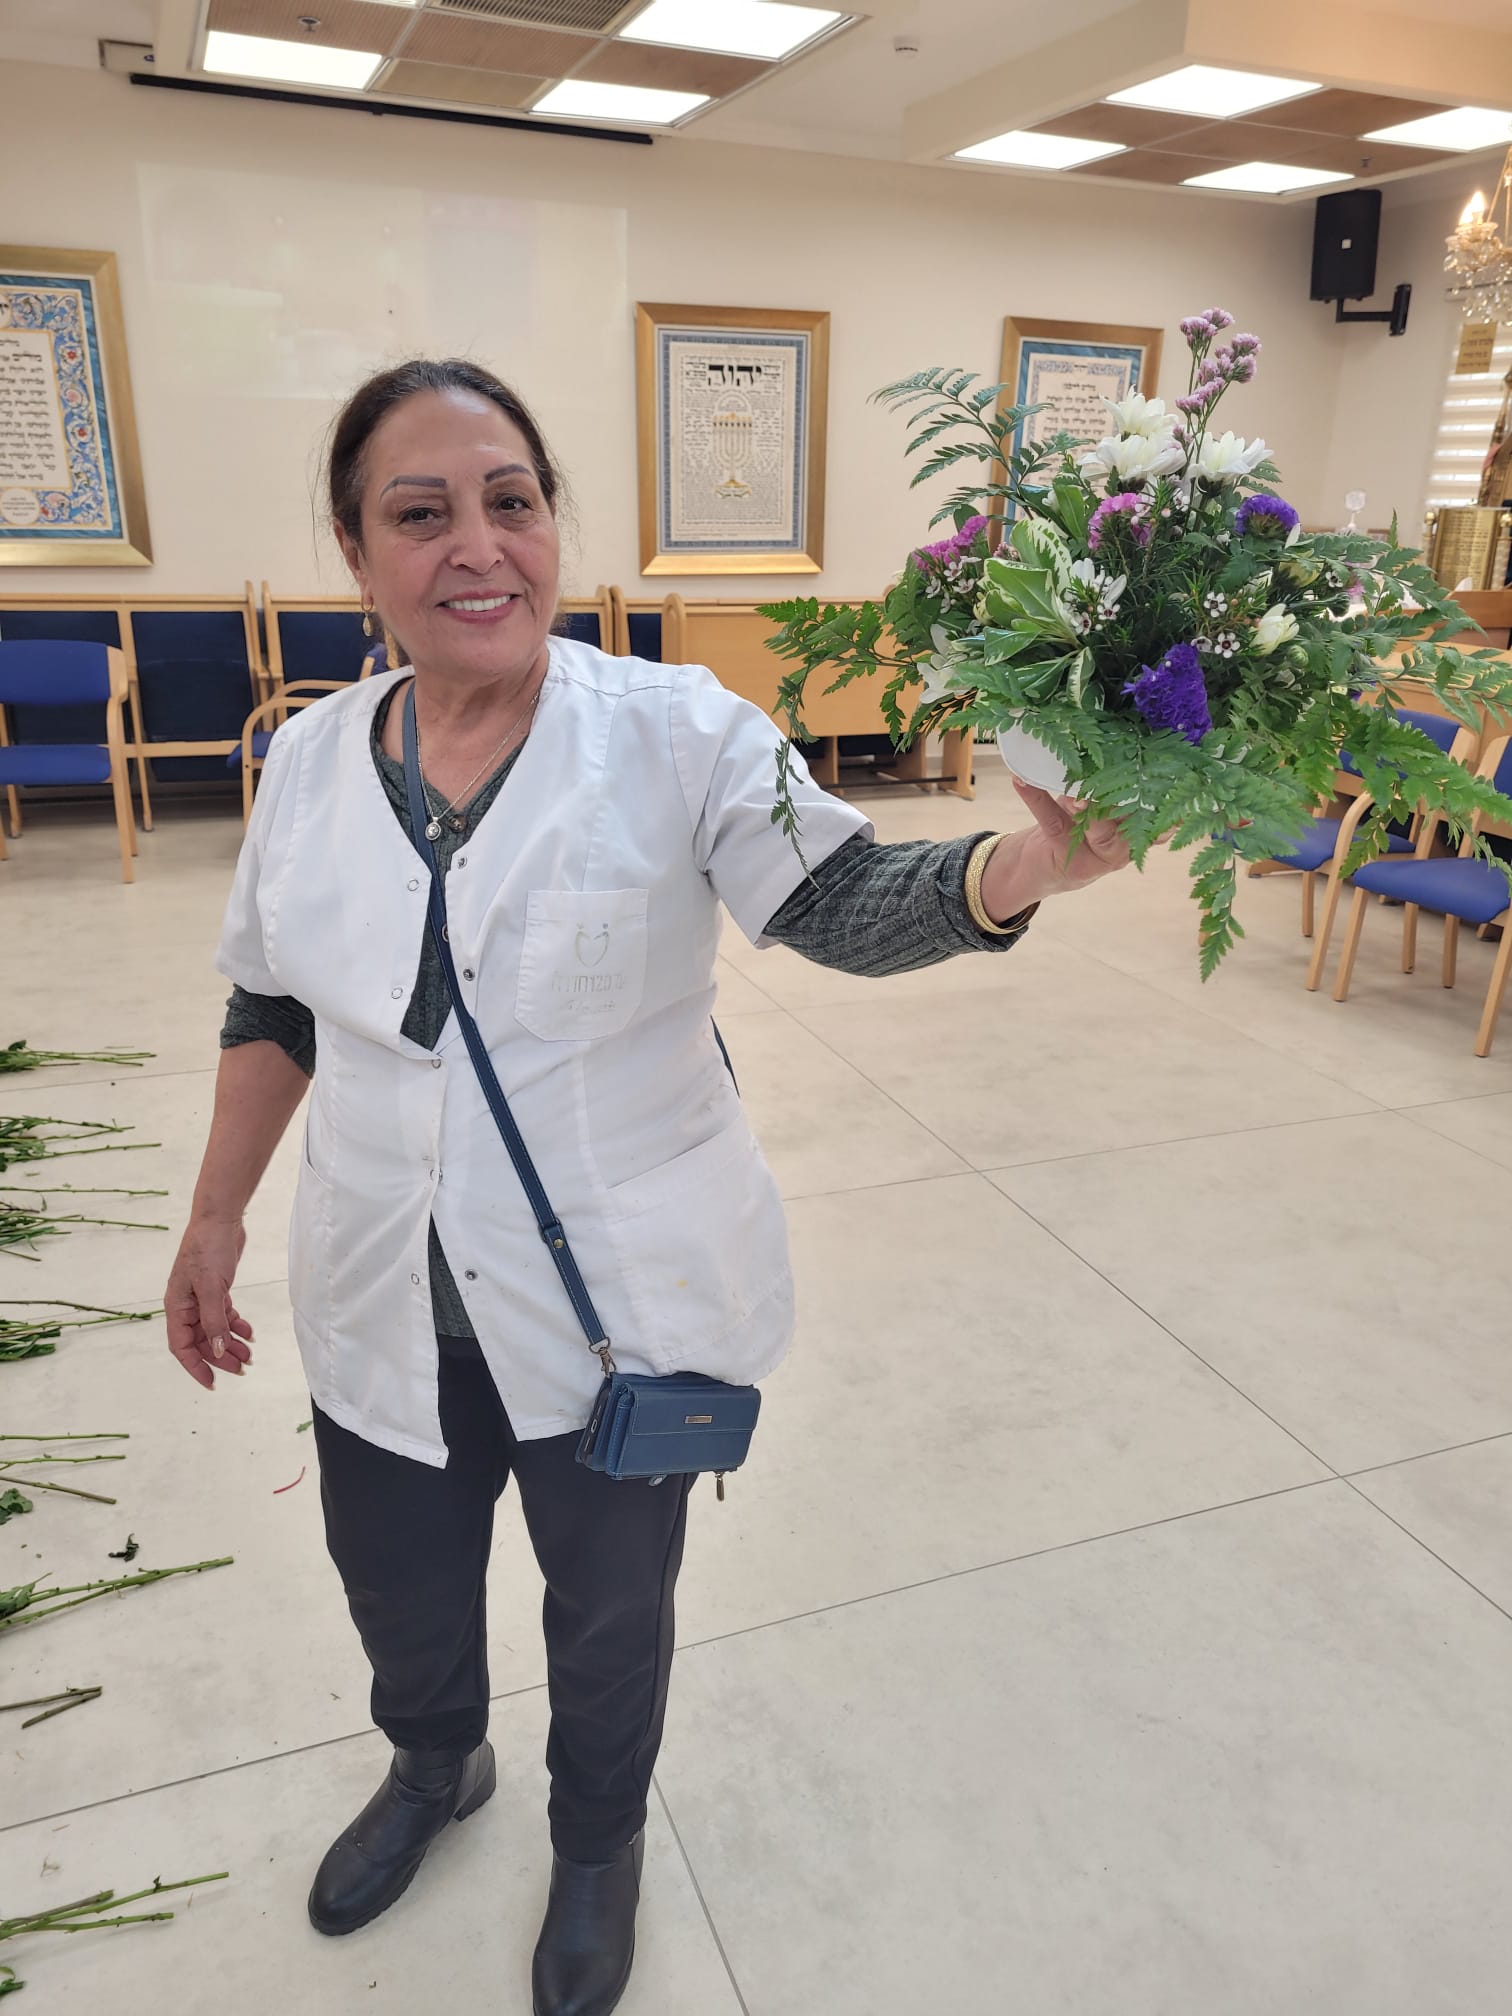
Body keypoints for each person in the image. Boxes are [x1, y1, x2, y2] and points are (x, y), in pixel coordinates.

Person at [165, 358, 1131, 2016]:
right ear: (356, 551)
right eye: (422, 513)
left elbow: (838, 902)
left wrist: (1024, 863)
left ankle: (597, 1841)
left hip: (614, 1293)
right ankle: (435, 1761)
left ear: (553, 522)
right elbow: (275, 1002)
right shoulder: (310, 763)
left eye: (512, 502)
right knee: (395, 1577)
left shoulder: (677, 733)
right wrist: (213, 1215)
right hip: (379, 1279)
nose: (479, 547)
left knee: (611, 1606)